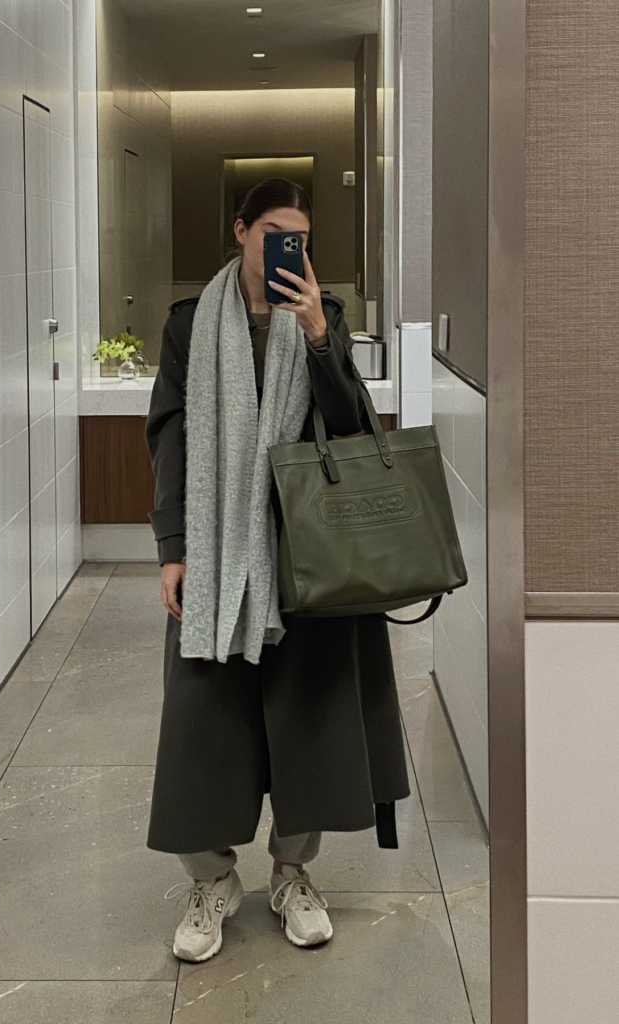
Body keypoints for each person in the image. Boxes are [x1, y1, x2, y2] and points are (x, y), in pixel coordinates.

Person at [146, 178, 409, 963]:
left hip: (308, 556)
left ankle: (293, 874)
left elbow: (351, 428)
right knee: (203, 718)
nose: (284, 249)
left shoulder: (324, 317)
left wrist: (321, 337)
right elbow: (169, 436)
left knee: (310, 718)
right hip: (218, 546)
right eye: (271, 233)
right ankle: (211, 881)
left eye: (297, 236)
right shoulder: (190, 326)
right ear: (239, 232)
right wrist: (172, 548)